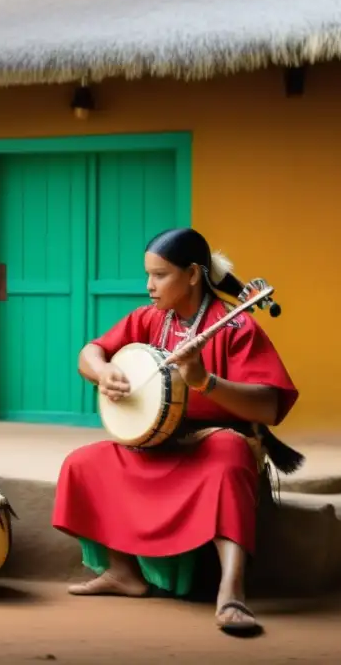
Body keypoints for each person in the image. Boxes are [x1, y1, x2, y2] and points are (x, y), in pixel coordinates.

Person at [52, 227, 301, 637]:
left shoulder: (234, 327)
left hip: (214, 439)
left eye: (160, 275)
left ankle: (232, 592)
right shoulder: (149, 319)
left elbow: (270, 407)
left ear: (192, 274)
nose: (149, 285)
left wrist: (205, 381)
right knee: (85, 463)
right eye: (147, 275)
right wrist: (103, 372)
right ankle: (123, 573)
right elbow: (89, 352)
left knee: (229, 457)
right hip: (157, 440)